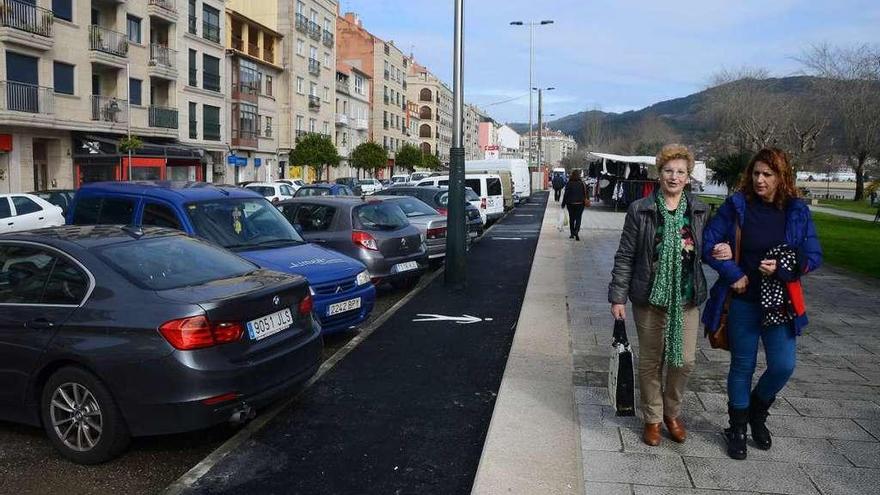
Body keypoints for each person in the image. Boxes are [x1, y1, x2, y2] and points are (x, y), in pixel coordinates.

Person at [702, 148, 822, 460]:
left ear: (782, 178)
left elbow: (813, 256)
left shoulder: (796, 211)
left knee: (783, 365)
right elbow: (708, 243)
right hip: (743, 300)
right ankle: (738, 427)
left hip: (780, 303)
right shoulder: (737, 205)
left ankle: (757, 410)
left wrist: (784, 270)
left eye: (767, 174)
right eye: (756, 173)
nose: (759, 179)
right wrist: (733, 272)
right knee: (742, 364)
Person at [608, 144, 708, 446]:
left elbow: (711, 247)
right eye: (668, 171)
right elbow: (625, 255)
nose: (674, 177)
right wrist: (618, 296)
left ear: (688, 177)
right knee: (651, 361)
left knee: (684, 361)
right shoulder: (640, 209)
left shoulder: (700, 209)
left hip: (687, 298)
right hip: (648, 298)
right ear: (659, 173)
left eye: (680, 172)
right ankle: (652, 418)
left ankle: (671, 412)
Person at [561, 169, 588, 240]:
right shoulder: (582, 183)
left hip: (570, 203)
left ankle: (572, 233)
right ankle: (576, 231)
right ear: (579, 175)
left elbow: (566, 194)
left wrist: (563, 203)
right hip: (580, 203)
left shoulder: (569, 183)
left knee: (572, 218)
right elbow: (586, 193)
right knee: (578, 218)